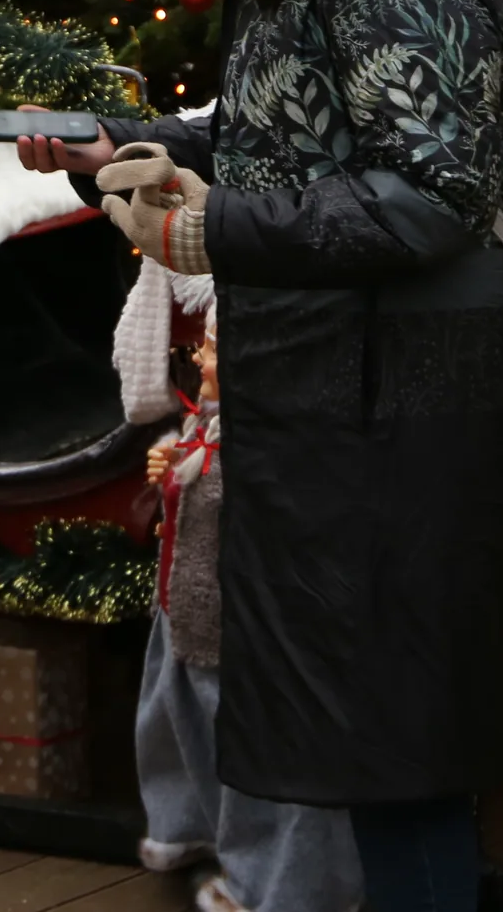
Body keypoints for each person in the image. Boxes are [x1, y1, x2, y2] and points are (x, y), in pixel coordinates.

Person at [20, 0, 503, 912]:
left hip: (410, 414)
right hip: (356, 402)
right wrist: (133, 141)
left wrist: (215, 229)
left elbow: (428, 194)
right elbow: (293, 132)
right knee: (371, 748)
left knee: (400, 762)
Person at [134, 312, 364, 912]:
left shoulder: (274, 445)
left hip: (246, 634)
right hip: (192, 612)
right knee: (187, 732)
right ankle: (198, 836)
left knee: (258, 770)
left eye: (211, 351)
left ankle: (285, 887)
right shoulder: (214, 422)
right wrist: (174, 461)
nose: (200, 361)